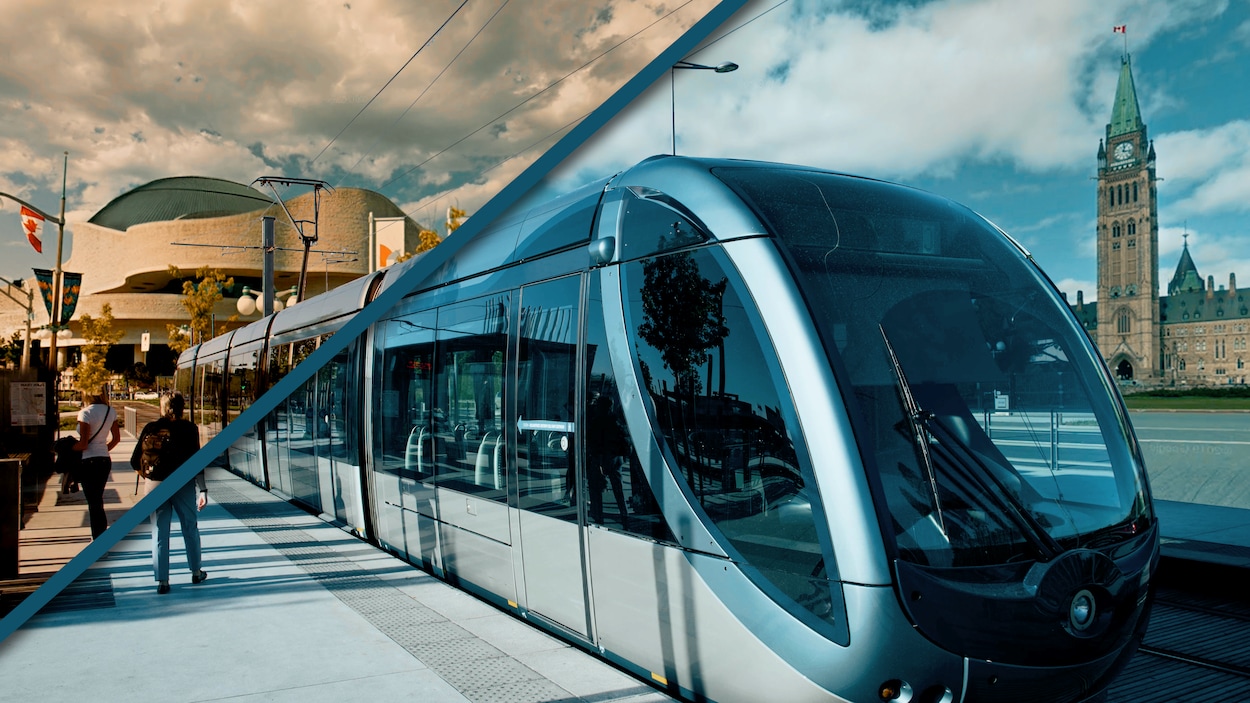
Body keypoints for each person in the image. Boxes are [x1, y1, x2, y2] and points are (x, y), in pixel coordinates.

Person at [131, 392, 207, 594]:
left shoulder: (151, 428)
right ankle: (196, 572)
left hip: (155, 484)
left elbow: (134, 460)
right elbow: (197, 461)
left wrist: (148, 475)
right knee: (189, 528)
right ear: (182, 408)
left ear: (162, 407)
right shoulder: (190, 429)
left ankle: (163, 581)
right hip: (182, 485)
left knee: (159, 532)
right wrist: (203, 489)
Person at [73, 386, 121, 539]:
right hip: (104, 460)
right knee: (97, 500)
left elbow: (83, 444)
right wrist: (103, 449)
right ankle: (100, 536)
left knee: (94, 503)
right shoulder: (110, 411)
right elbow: (116, 438)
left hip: (88, 462)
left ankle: (98, 538)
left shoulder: (85, 413)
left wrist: (68, 448)